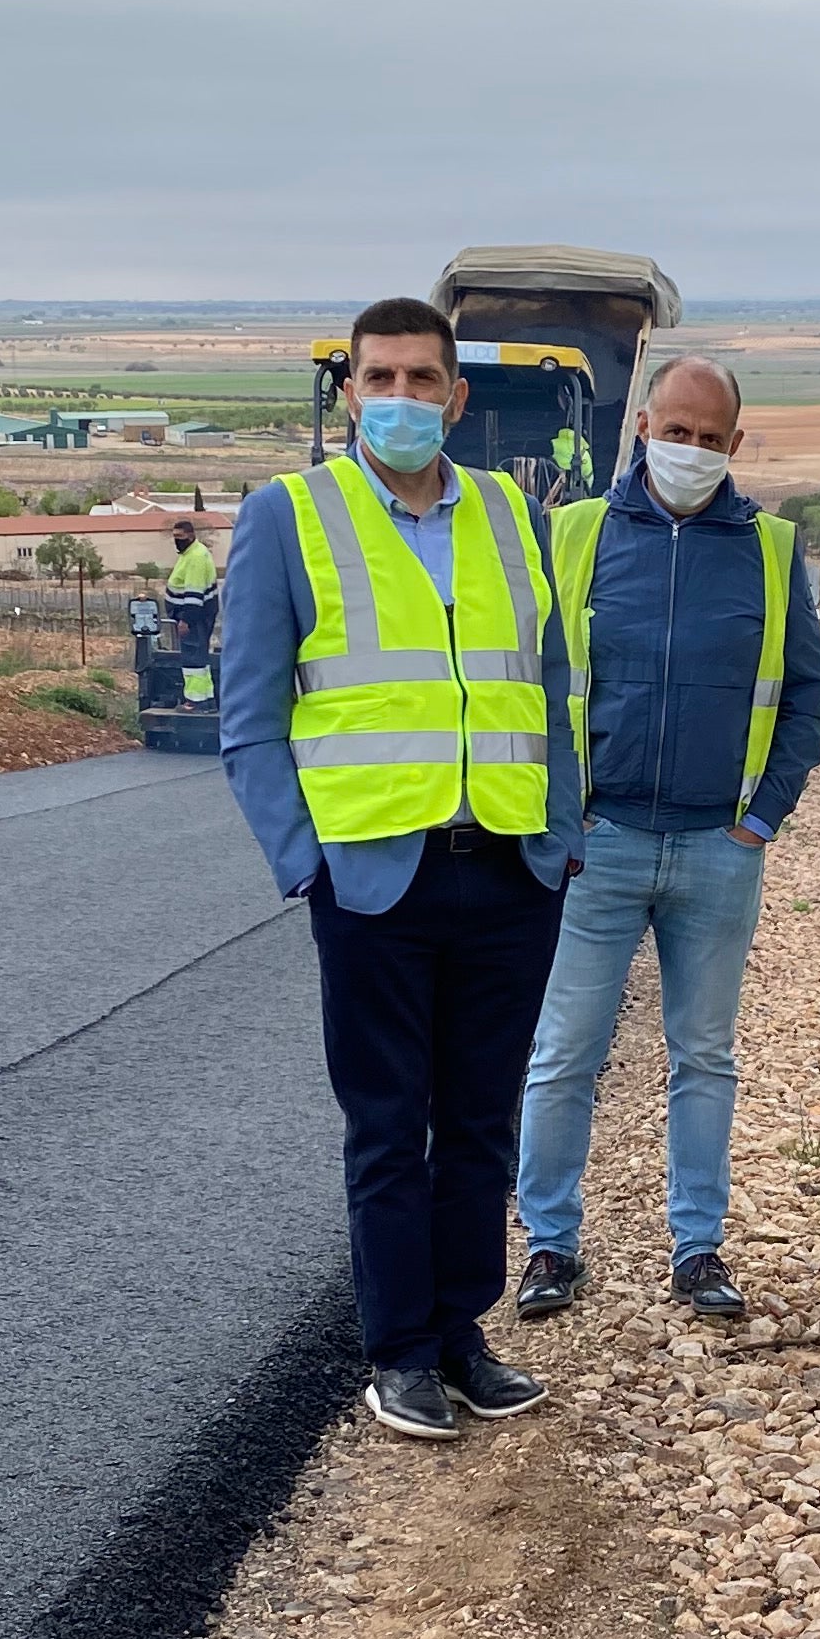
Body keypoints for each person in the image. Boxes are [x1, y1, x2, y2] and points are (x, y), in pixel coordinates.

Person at [216, 297, 580, 1444]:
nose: (404, 400)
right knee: (388, 1125)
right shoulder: (291, 518)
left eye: (426, 380)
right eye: (381, 379)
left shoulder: (514, 517)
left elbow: (553, 692)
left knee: (480, 1124)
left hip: (510, 872)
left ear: (457, 398)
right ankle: (400, 1356)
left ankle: (462, 1335)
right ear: (350, 393)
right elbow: (249, 718)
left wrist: (559, 837)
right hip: (374, 877)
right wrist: (305, 862)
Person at [511, 354, 820, 1327]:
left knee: (705, 1056)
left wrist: (762, 816)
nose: (688, 451)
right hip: (597, 843)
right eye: (674, 431)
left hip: (715, 851)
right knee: (564, 1052)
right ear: (642, 426)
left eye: (708, 438)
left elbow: (808, 698)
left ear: (734, 445)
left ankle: (698, 1250)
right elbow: (528, 685)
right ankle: (550, 1246)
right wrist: (558, 822)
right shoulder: (576, 535)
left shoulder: (772, 552)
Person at [165, 517, 220, 706]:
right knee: (199, 658)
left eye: (180, 536)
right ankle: (205, 698)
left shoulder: (195, 558)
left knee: (193, 659)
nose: (176, 540)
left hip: (194, 618)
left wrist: (186, 620)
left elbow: (194, 593)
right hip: (198, 617)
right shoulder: (193, 552)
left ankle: (195, 701)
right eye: (174, 536)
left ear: (191, 536)